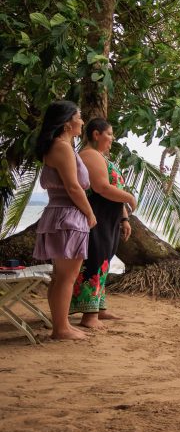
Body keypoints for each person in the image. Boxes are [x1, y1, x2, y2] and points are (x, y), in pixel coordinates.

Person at [32, 101, 97, 340]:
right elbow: (73, 186)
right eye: (79, 117)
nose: (82, 121)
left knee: (60, 277)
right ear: (68, 122)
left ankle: (61, 325)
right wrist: (90, 213)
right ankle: (61, 328)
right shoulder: (62, 148)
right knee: (66, 277)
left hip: (59, 214)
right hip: (68, 216)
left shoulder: (59, 146)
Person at [70, 118, 137, 329]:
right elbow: (102, 188)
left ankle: (99, 309)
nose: (112, 139)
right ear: (96, 134)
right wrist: (130, 197)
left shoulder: (100, 156)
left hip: (109, 219)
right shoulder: (89, 155)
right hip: (95, 217)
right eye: (109, 134)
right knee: (95, 260)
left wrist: (124, 217)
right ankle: (89, 317)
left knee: (103, 262)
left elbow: (111, 192)